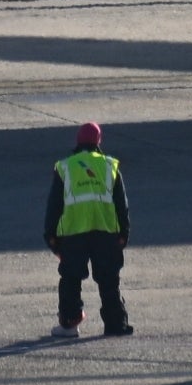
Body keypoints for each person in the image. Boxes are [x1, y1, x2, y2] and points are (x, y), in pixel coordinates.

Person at [42, 120, 130, 339]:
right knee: (109, 279)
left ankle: (70, 324)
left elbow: (55, 204)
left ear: (77, 141)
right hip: (105, 231)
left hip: (74, 232)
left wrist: (50, 234)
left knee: (71, 278)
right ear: (99, 141)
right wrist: (124, 232)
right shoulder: (110, 166)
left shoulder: (66, 167)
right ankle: (115, 324)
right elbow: (121, 203)